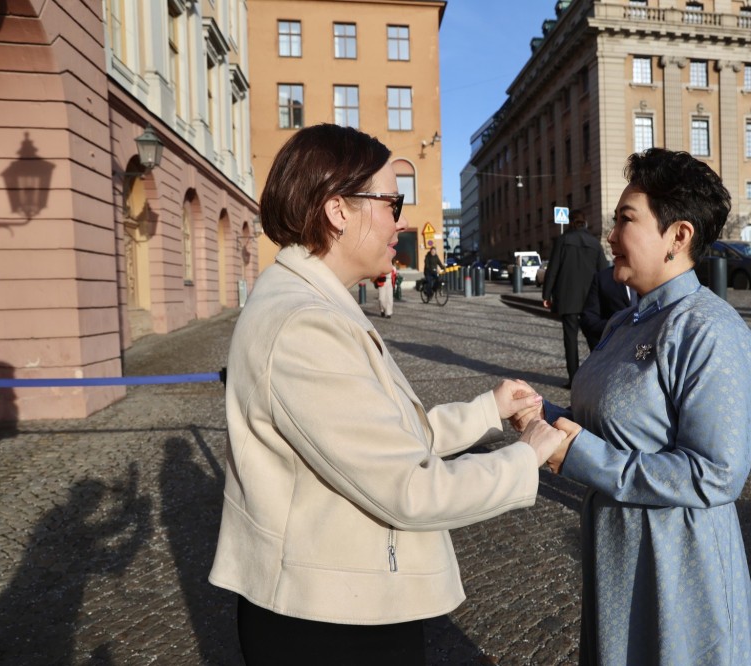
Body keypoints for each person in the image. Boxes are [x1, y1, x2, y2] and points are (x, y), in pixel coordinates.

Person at [208, 124, 566, 665]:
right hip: (328, 622)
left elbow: (387, 435)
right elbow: (409, 488)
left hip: (345, 601)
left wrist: (488, 410)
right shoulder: (304, 324)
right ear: (337, 210)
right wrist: (528, 454)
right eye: (390, 202)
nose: (400, 221)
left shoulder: (318, 302)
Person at [522, 149, 751, 665]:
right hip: (616, 554)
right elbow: (605, 427)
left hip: (677, 566)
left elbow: (715, 475)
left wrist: (578, 456)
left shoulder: (709, 331)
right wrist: (537, 412)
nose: (610, 236)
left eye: (625, 220)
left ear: (678, 236)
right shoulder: (624, 323)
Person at [542, 210, 609, 388]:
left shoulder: (563, 241)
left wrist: (546, 294)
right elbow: (603, 271)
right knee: (594, 339)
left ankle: (574, 379)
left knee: (570, 341)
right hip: (591, 300)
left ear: (570, 222)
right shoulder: (595, 243)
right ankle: (600, 375)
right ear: (585, 222)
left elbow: (553, 269)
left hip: (567, 298)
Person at [579, 265, 635, 350]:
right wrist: (614, 328)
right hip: (614, 349)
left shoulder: (654, 278)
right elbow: (589, 319)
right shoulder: (603, 278)